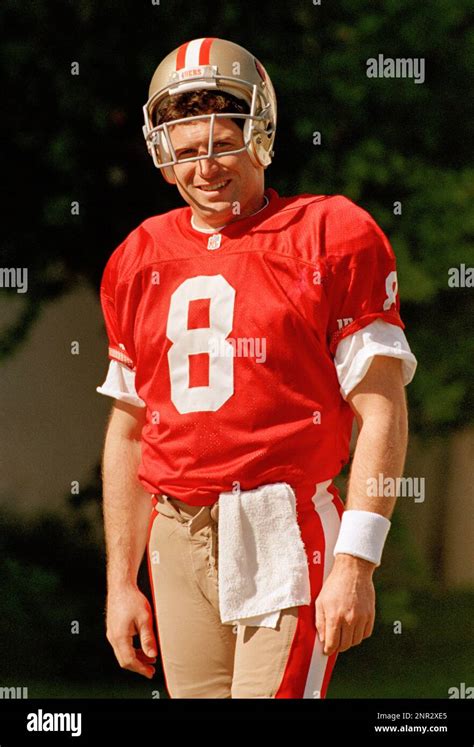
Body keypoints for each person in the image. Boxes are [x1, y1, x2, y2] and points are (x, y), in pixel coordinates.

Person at [96, 37, 417, 699]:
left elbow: (382, 406)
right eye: (186, 149)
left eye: (222, 142)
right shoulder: (136, 257)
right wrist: (119, 582)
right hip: (176, 531)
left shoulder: (330, 232)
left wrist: (357, 560)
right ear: (163, 155)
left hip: (282, 524)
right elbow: (129, 430)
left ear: (260, 134)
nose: (205, 167)